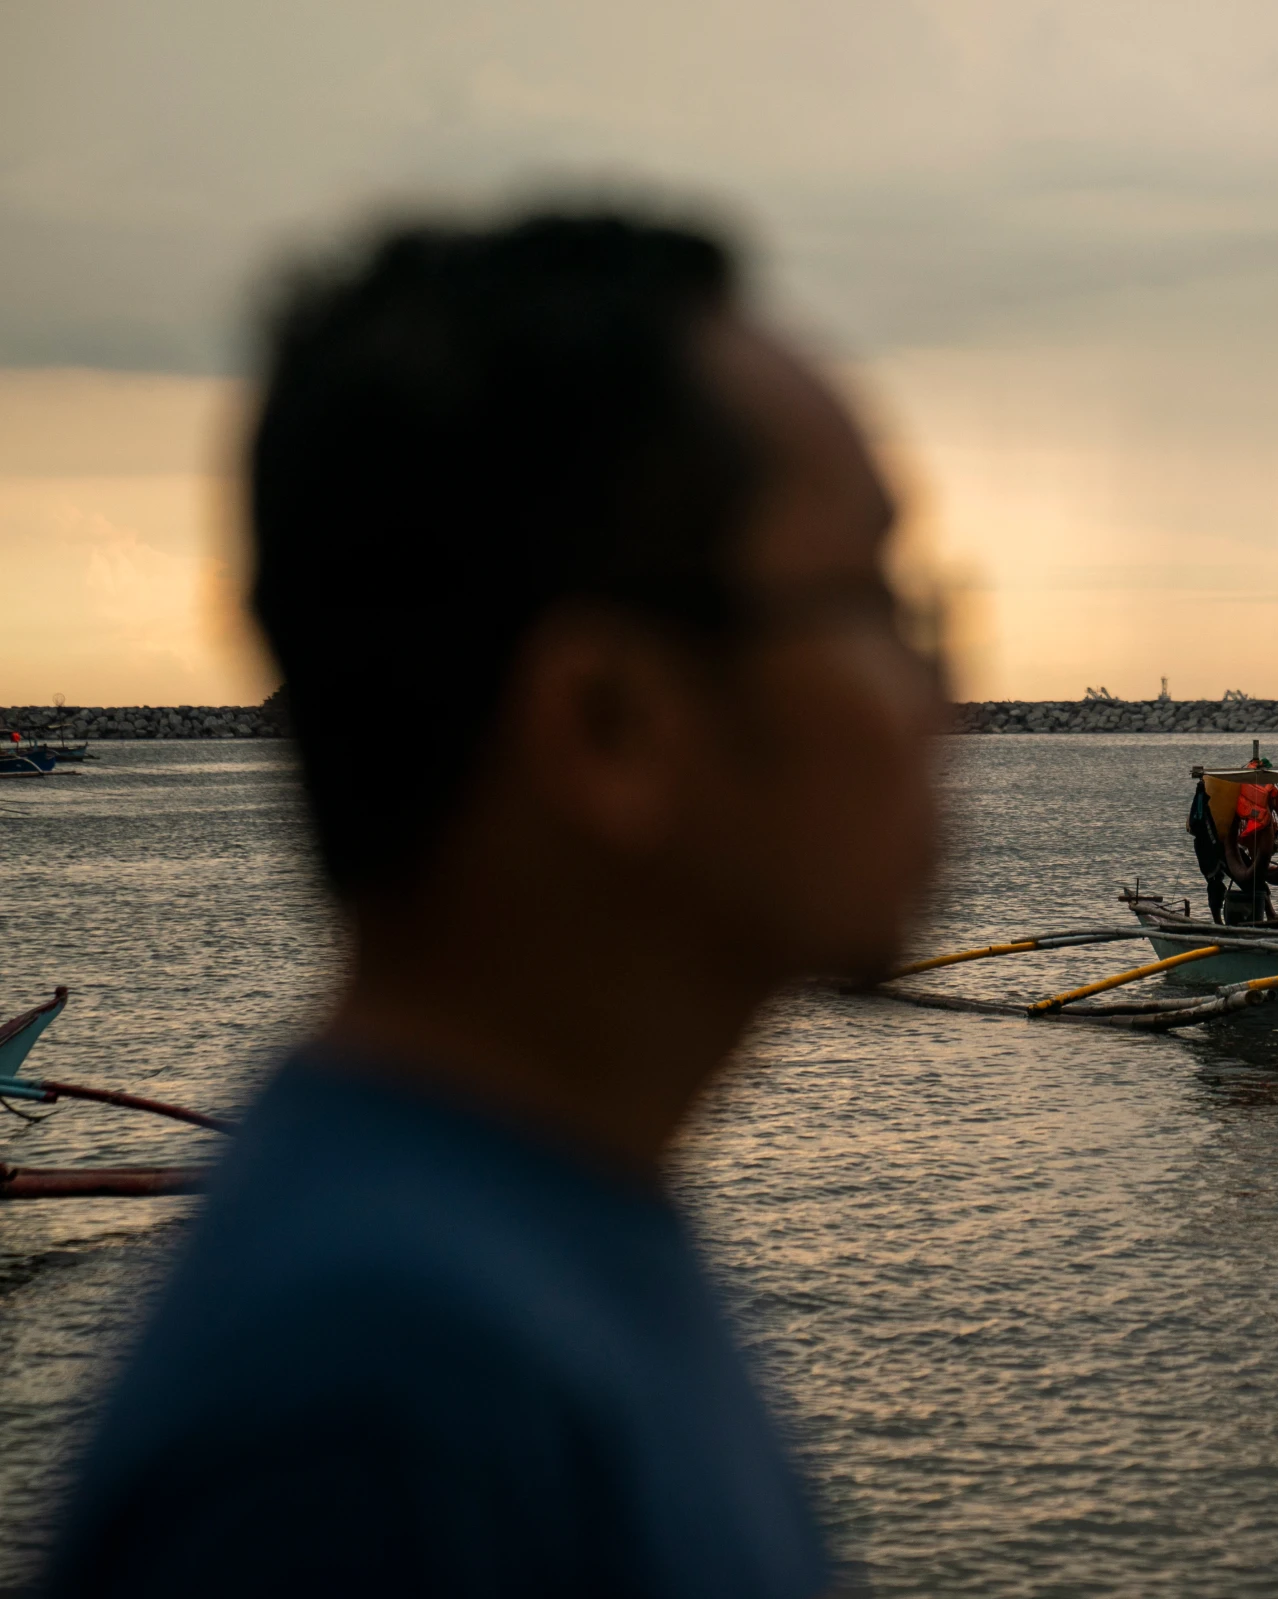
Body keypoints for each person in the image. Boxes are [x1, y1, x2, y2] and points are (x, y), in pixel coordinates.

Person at [43, 210, 945, 1597]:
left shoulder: (536, 1233)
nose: (941, 698)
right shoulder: (373, 1416)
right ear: (608, 720)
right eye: (872, 600)